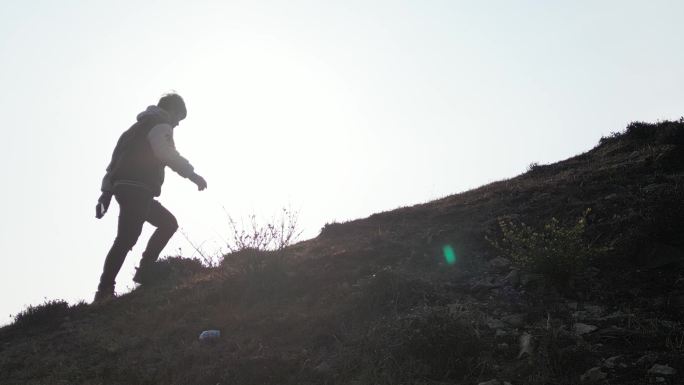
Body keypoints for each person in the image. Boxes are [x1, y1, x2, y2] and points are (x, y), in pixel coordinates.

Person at [93, 93, 207, 302]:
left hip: (125, 189)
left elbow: (112, 167)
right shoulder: (160, 125)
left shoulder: (131, 132)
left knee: (167, 223)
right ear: (172, 110)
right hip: (139, 188)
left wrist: (105, 194)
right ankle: (106, 289)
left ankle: (142, 271)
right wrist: (192, 175)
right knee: (127, 238)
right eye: (178, 119)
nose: (177, 125)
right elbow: (166, 153)